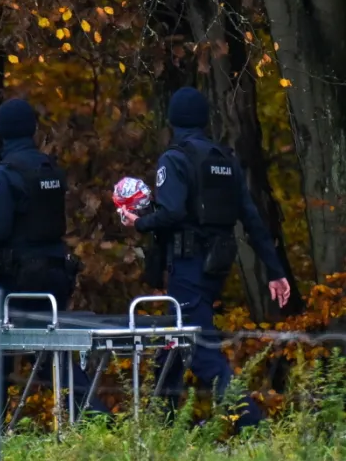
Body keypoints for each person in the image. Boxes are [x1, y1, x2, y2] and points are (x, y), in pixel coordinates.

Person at [119, 86, 290, 428]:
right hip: (216, 266)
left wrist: (139, 222)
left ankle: (252, 426)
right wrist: (275, 271)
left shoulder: (175, 158)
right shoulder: (225, 159)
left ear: (172, 119)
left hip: (188, 265)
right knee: (172, 340)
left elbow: (170, 213)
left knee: (198, 349)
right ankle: (162, 424)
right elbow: (252, 219)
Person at [0, 98, 107, 417]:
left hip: (15, 282)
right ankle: (96, 417)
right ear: (31, 128)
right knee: (49, 356)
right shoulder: (48, 169)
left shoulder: (2, 175)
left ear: (1, 131)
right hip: (54, 276)